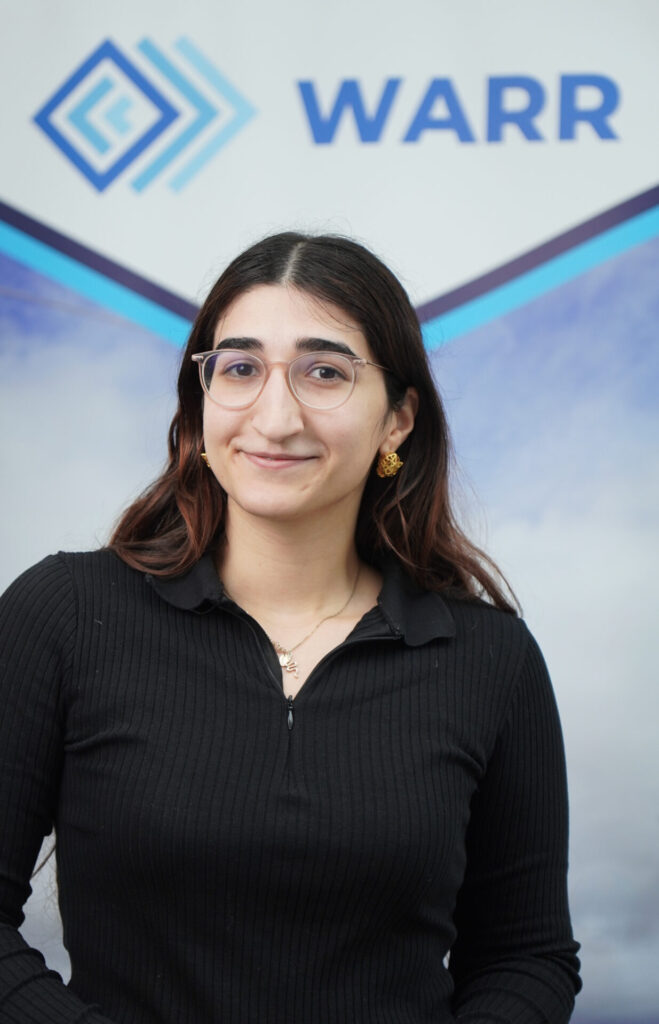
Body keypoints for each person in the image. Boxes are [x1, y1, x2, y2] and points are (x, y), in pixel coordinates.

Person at [0, 232, 581, 1023]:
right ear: (201, 402)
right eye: (240, 369)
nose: (274, 418)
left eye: (324, 372)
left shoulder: (491, 659)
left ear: (397, 420)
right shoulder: (64, 613)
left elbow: (525, 957)